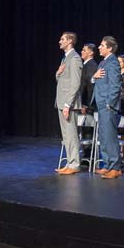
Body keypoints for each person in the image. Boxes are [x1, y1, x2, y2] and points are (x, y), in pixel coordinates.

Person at [92, 36, 123, 179]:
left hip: (107, 105)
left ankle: (115, 167)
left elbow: (115, 85)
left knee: (110, 136)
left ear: (110, 48)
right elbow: (97, 80)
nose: (99, 47)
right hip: (101, 104)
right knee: (103, 136)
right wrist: (94, 77)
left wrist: (110, 103)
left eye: (102, 45)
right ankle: (107, 164)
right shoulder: (103, 62)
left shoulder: (113, 62)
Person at [54, 32, 83, 175]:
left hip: (68, 103)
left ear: (70, 41)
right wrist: (58, 73)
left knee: (71, 134)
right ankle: (70, 162)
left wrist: (67, 104)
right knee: (66, 136)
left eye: (62, 39)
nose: (60, 41)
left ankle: (75, 164)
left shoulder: (75, 58)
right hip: (61, 101)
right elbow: (61, 80)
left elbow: (75, 83)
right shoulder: (65, 58)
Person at [78, 43, 99, 167]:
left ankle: (88, 158)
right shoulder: (86, 65)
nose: (82, 52)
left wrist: (85, 104)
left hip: (89, 106)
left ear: (91, 52)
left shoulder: (91, 65)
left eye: (84, 50)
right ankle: (86, 157)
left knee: (88, 131)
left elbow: (90, 88)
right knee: (86, 130)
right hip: (86, 104)